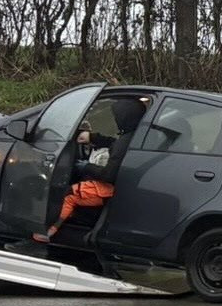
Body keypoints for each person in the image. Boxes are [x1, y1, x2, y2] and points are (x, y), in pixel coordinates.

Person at [34, 97, 147, 244]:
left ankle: (49, 232)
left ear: (124, 118)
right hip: (125, 186)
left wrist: (85, 166)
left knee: (69, 194)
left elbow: (108, 175)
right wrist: (91, 137)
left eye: (117, 117)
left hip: (110, 189)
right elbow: (113, 143)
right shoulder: (135, 136)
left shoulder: (124, 142)